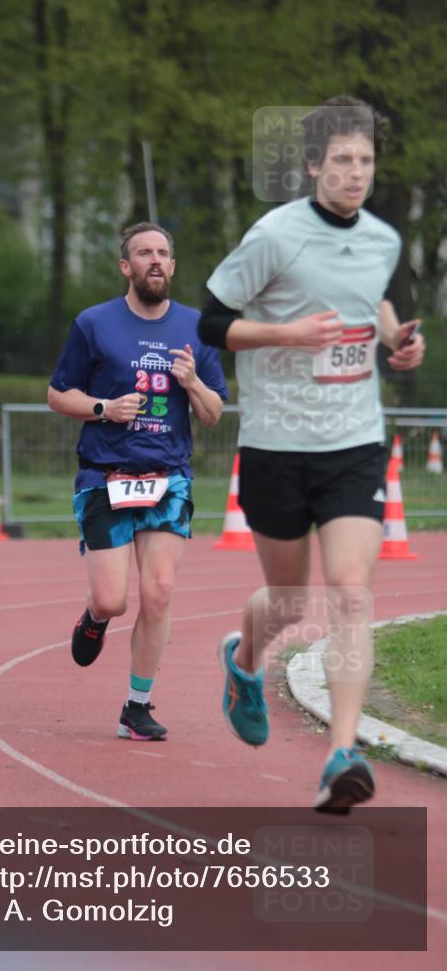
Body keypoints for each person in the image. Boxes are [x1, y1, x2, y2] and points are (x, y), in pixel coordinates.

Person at [198, 96, 425, 811]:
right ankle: (242, 662)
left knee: (352, 592)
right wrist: (285, 335)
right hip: (275, 442)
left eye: (364, 161)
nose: (355, 173)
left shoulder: (383, 240)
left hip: (353, 440)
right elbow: (209, 323)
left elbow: (371, 301)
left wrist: (395, 343)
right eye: (341, 161)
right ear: (312, 166)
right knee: (291, 600)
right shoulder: (274, 235)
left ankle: (342, 752)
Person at [48, 222, 228, 741]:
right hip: (105, 475)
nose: (155, 260)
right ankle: (93, 619)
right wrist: (103, 408)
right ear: (126, 266)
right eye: (144, 253)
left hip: (167, 477)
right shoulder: (93, 324)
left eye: (163, 253)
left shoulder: (198, 328)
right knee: (112, 600)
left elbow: (214, 413)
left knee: (161, 591)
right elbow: (59, 395)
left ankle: (137, 704)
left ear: (172, 266)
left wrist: (192, 381)